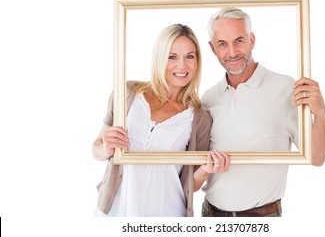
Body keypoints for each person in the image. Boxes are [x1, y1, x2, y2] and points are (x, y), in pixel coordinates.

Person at [201, 7, 325, 217]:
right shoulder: (208, 98)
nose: (232, 52)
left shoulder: (286, 88)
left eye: (239, 40)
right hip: (210, 214)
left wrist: (321, 114)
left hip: (262, 218)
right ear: (212, 48)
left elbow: (317, 158)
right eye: (222, 44)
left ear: (252, 40)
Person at [92, 23, 230, 217]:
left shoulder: (200, 118)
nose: (182, 65)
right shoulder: (127, 93)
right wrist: (106, 146)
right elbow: (97, 148)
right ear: (159, 58)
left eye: (189, 56)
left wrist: (206, 170)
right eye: (172, 57)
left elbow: (189, 184)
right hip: (115, 213)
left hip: (165, 218)